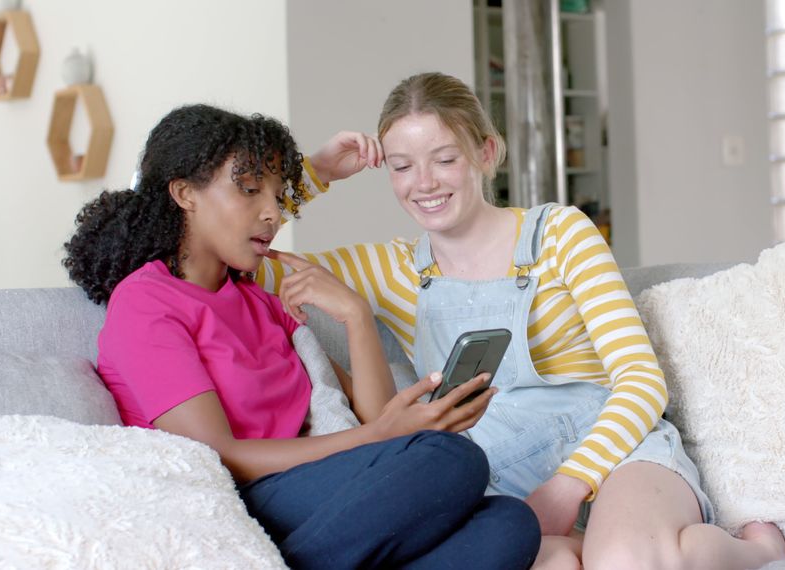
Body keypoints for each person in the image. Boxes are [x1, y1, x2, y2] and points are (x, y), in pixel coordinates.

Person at [258, 73, 785, 569]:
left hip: (614, 448)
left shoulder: (561, 234)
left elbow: (641, 381)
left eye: (444, 159)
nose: (423, 183)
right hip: (494, 472)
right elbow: (232, 259)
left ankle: (755, 552)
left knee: (623, 561)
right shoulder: (389, 268)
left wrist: (567, 486)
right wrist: (315, 174)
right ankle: (680, 550)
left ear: (485, 153)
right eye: (401, 166)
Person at [62, 103, 541, 570]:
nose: (272, 213)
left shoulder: (261, 302)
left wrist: (355, 314)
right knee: (452, 460)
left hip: (323, 494)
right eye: (250, 190)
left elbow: (375, 416)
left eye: (276, 195)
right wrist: (379, 437)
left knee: (510, 524)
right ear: (185, 194)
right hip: (247, 494)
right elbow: (218, 455)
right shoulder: (146, 302)